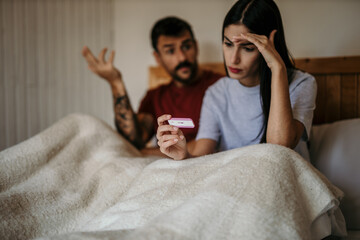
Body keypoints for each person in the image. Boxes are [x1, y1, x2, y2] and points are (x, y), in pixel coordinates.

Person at [156, 0, 317, 161]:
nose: (233, 59)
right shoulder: (216, 92)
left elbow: (279, 146)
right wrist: (184, 155)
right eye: (228, 44)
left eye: (247, 48)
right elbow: (202, 154)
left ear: (269, 46)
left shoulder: (301, 83)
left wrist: (277, 68)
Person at [82, 17, 223, 154]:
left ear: (196, 46)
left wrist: (147, 153)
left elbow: (210, 144)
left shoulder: (221, 85)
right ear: (157, 58)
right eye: (170, 51)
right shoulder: (155, 97)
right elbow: (134, 140)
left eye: (186, 46)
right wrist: (116, 83)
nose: (182, 57)